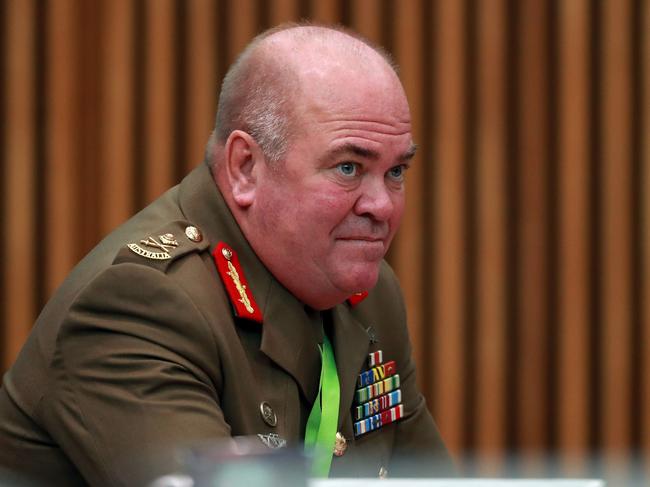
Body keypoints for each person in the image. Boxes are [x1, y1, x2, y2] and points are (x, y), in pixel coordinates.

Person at [0, 23, 453, 486]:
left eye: (395, 171)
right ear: (245, 168)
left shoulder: (367, 293)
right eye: (348, 168)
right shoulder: (142, 305)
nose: (381, 205)